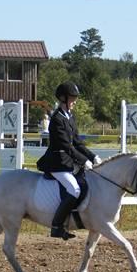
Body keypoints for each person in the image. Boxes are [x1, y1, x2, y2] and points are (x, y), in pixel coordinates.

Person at [36, 81, 101, 240]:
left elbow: (77, 142)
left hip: (68, 162)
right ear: (63, 99)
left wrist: (93, 156)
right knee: (74, 190)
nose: (74, 102)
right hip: (57, 163)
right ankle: (57, 226)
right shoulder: (57, 119)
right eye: (72, 99)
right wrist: (83, 160)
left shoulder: (70, 117)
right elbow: (66, 146)